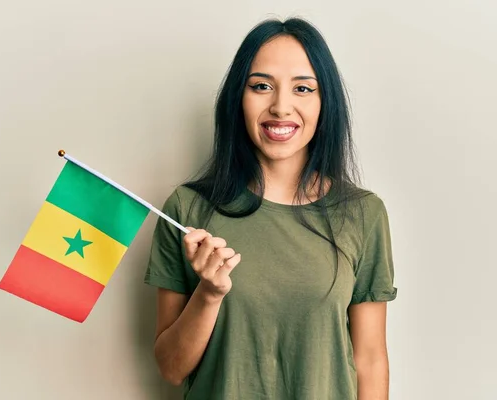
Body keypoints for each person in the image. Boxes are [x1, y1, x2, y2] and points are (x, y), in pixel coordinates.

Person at [144, 17, 397, 400]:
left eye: (302, 88)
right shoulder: (187, 210)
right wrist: (209, 293)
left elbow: (371, 358)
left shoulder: (363, 214)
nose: (281, 107)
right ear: (238, 99)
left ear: (324, 101)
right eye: (261, 86)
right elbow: (171, 368)